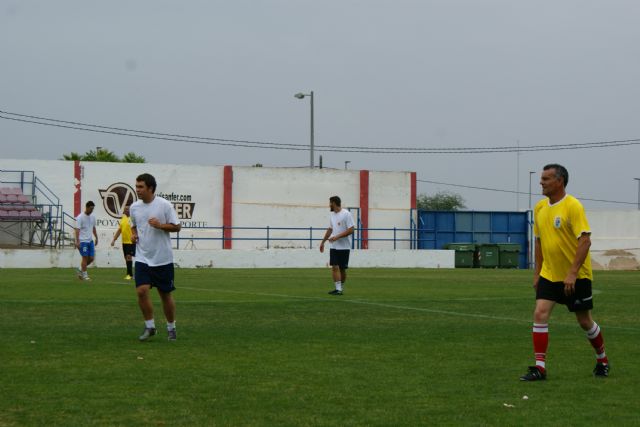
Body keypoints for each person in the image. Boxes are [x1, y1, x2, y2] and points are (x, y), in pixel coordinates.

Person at [520, 164, 609, 381]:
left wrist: (572, 273)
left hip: (576, 276)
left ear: (559, 181)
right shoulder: (540, 208)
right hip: (550, 275)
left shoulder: (573, 206)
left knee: (584, 321)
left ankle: (602, 359)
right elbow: (539, 243)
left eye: (546, 178)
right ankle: (540, 368)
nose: (541, 182)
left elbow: (585, 241)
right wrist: (537, 273)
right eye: (541, 178)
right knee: (540, 313)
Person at [129, 173, 181, 341]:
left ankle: (171, 327)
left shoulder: (164, 205)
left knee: (165, 295)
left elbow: (177, 227)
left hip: (162, 258)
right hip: (143, 257)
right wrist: (133, 234)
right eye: (136, 186)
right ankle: (150, 326)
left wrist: (160, 225)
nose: (137, 190)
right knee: (141, 291)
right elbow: (133, 226)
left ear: (150, 188)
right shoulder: (134, 207)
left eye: (141, 187)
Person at [320, 196, 355, 295]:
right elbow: (330, 229)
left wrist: (337, 237)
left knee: (342, 269)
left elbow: (351, 230)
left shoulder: (346, 214)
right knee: (335, 267)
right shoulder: (332, 215)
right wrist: (323, 242)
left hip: (344, 247)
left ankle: (340, 287)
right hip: (334, 246)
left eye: (330, 203)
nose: (329, 205)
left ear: (334, 203)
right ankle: (338, 289)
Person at [111, 204, 136, 280]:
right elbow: (120, 230)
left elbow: (136, 228)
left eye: (128, 209)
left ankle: (129, 274)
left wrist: (135, 237)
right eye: (125, 209)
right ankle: (131, 274)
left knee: (129, 257)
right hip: (124, 242)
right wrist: (114, 239)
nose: (126, 210)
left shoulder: (132, 218)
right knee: (126, 258)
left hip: (131, 242)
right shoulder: (123, 218)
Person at [75, 201, 98, 281]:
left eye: (93, 209)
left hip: (90, 241)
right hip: (83, 241)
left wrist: (96, 237)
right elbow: (77, 230)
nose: (92, 210)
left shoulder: (93, 217)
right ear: (87, 207)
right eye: (91, 208)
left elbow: (93, 228)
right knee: (85, 258)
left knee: (91, 258)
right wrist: (77, 241)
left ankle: (80, 269)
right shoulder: (80, 217)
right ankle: (85, 275)